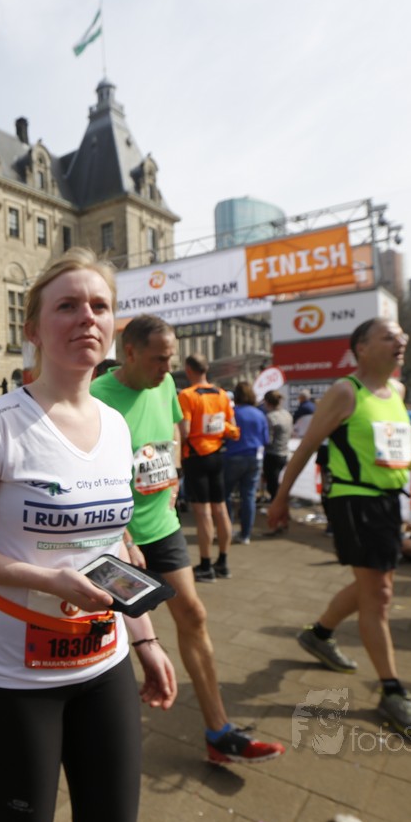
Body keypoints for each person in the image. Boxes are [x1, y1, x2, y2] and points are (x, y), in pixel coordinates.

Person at [0, 249, 177, 822]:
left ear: (113, 325)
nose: (87, 317)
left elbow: (113, 543)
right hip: (15, 676)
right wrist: (46, 579)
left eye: (100, 306)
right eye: (67, 305)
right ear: (34, 329)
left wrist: (145, 638)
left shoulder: (116, 426)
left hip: (104, 662)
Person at [92, 315, 282, 765]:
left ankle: (219, 732)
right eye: (159, 359)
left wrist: (174, 474)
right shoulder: (97, 397)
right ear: (130, 352)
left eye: (171, 359)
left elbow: (175, 432)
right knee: (109, 635)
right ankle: (94, 739)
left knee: (193, 615)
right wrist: (122, 536)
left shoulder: (165, 387)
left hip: (162, 526)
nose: (168, 368)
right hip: (115, 537)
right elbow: (88, 475)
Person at [268, 317, 411, 740]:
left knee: (374, 585)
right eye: (389, 336)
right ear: (361, 347)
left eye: (402, 335)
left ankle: (319, 634)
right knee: (379, 594)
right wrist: (281, 498)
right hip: (352, 502)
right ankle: (392, 691)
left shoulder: (397, 391)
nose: (401, 341)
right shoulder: (346, 392)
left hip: (387, 501)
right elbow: (306, 447)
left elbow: (393, 452)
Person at [178, 355, 238, 581]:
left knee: (203, 512)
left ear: (188, 369)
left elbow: (184, 430)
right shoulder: (221, 394)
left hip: (196, 456)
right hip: (218, 454)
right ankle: (223, 562)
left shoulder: (187, 395)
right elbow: (231, 425)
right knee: (221, 509)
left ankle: (205, 565)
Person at [222, 381, 268, 547]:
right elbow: (265, 439)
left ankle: (226, 530)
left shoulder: (232, 413)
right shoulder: (260, 414)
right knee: (248, 497)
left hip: (233, 457)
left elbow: (224, 435)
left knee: (225, 495)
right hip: (254, 458)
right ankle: (246, 535)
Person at [262, 390, 292, 508]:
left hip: (272, 454)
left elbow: (268, 440)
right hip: (284, 452)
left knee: (272, 484)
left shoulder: (270, 417)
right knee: (278, 482)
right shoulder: (287, 414)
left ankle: (277, 507)